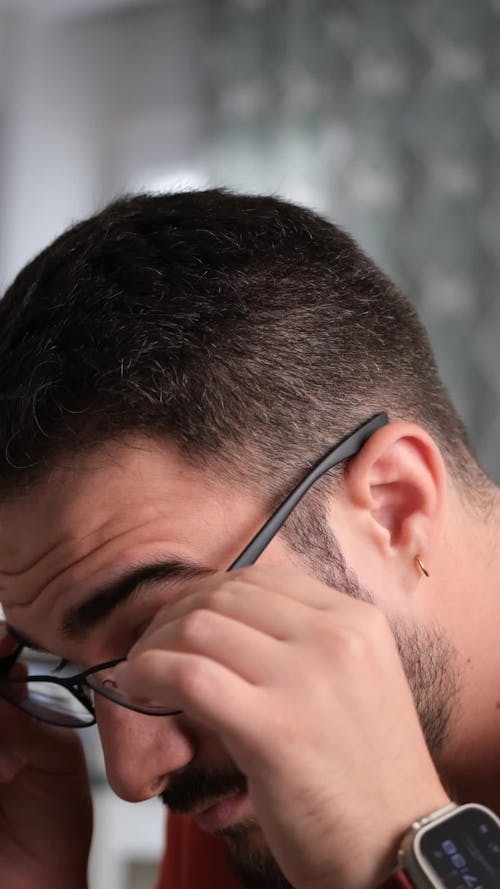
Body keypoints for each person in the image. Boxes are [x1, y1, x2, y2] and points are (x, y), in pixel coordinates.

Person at [0, 188, 498, 889]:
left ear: (394, 504)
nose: (136, 773)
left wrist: (401, 850)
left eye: (164, 628)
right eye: (75, 674)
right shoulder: (234, 728)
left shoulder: (246, 714)